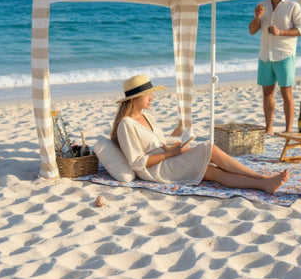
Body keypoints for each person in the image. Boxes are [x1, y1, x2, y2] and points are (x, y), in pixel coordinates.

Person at [110, 75, 290, 195]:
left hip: (166, 158)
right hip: (155, 170)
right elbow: (136, 163)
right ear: (134, 98)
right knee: (209, 148)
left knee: (212, 172)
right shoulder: (126, 125)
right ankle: (261, 178)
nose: (152, 98)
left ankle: (264, 184)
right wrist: (171, 154)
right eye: (147, 95)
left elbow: (160, 143)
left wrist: (176, 147)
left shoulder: (146, 116)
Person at [249, 0, 301, 135]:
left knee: (287, 93)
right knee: (267, 93)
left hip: (284, 55)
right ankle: (269, 129)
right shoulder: (262, 5)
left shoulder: (293, 5)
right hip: (265, 55)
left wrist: (280, 32)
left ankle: (288, 130)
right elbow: (252, 30)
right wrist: (257, 17)